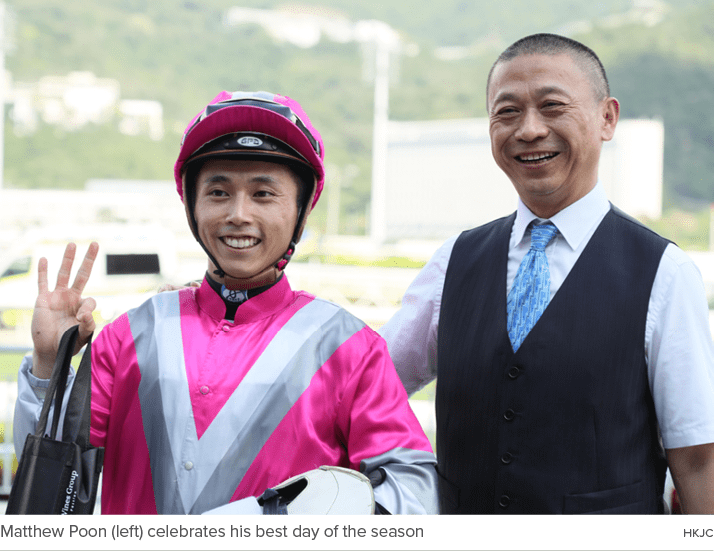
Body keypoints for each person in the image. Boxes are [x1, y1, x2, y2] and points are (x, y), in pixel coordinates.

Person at [14, 91, 438, 515]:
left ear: (300, 211)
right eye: (218, 192)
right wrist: (49, 363)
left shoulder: (351, 347)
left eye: (263, 194)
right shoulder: (129, 335)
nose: (238, 213)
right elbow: (53, 482)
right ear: (192, 206)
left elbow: (411, 487)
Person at [379, 33, 714, 514]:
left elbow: (698, 457)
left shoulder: (664, 272)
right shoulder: (454, 260)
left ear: (607, 118)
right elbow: (373, 384)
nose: (530, 130)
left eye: (552, 106)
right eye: (507, 112)